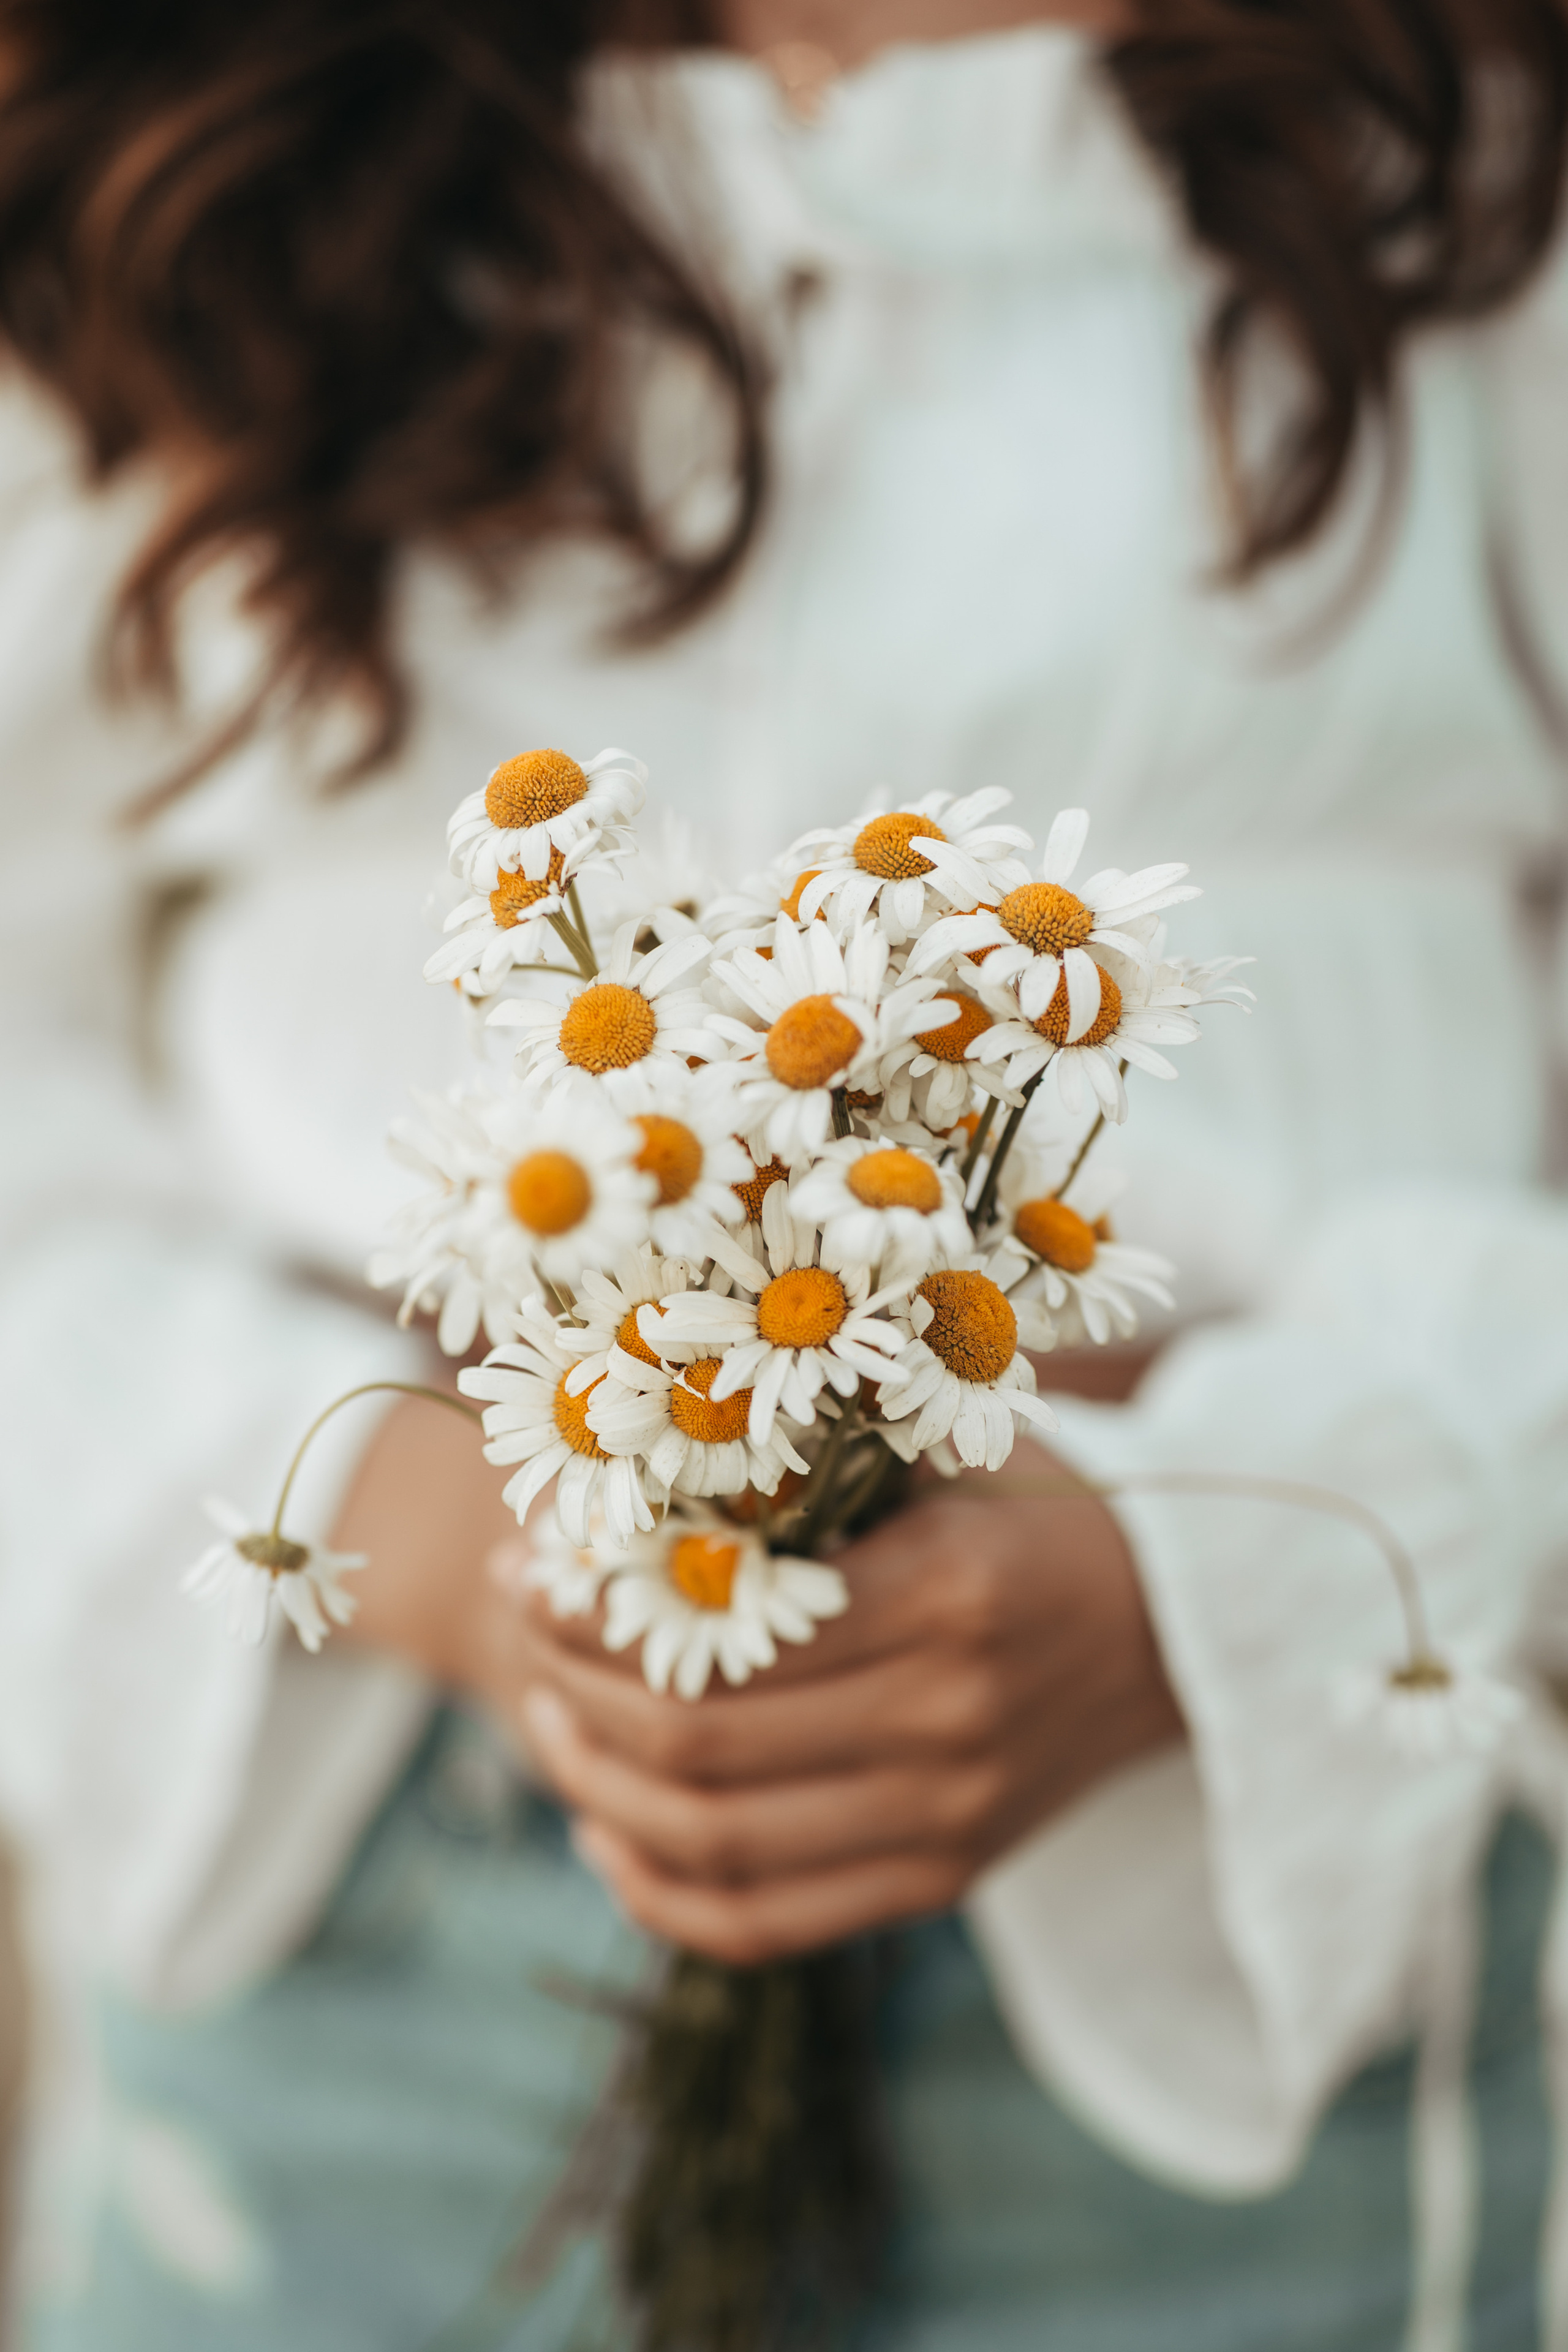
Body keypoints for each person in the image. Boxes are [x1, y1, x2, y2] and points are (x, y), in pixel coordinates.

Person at [1, 0, 1567, 2344]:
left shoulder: (1466, 133)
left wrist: (1204, 1578)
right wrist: (437, 1535)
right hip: (335, 1886)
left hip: (1235, 1924)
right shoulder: (178, 120)